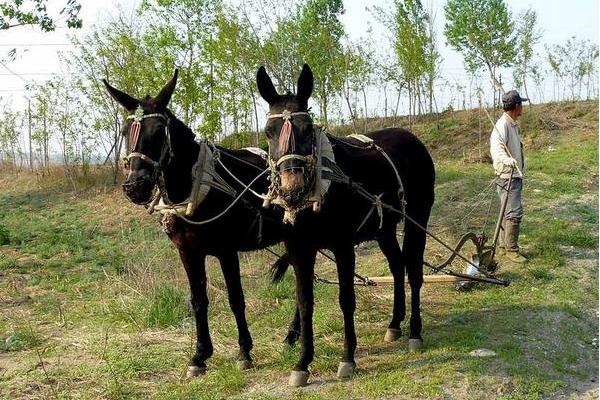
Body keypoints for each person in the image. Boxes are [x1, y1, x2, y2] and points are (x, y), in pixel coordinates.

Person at [490, 90, 528, 263]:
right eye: (521, 104)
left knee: (507, 210)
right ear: (517, 106)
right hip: (508, 176)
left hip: (513, 175)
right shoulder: (502, 125)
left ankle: (504, 247)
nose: (523, 107)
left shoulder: (511, 124)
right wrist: (507, 160)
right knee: (514, 212)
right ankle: (511, 249)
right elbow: (496, 149)